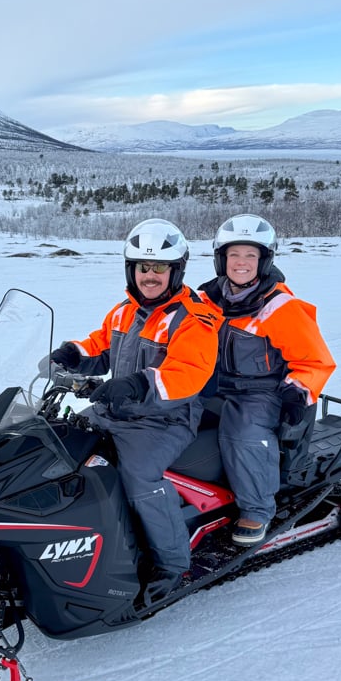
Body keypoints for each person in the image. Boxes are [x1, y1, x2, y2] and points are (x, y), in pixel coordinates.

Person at [50, 218, 221, 602]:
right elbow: (100, 345)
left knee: (139, 474)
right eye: (143, 267)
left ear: (176, 271)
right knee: (60, 443)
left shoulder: (195, 318)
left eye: (160, 268)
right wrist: (72, 354)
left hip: (165, 419)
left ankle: (173, 562)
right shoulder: (125, 310)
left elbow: (188, 373)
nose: (150, 276)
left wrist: (138, 384)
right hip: (119, 410)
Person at [198, 214, 336, 546]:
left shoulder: (280, 306)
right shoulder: (205, 299)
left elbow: (315, 361)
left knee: (242, 434)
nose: (241, 263)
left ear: (264, 260)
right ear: (222, 259)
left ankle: (257, 508)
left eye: (251, 255)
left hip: (262, 391)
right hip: (211, 382)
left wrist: (298, 391)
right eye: (234, 255)